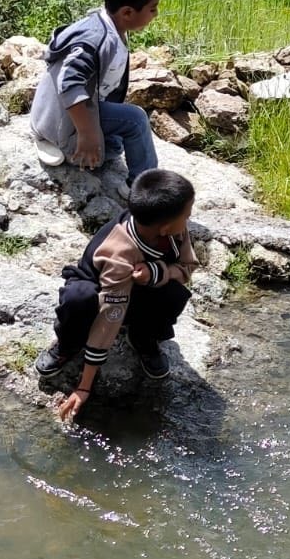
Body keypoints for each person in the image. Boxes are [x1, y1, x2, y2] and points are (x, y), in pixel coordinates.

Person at [34, 169, 198, 422]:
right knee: (79, 298)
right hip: (102, 289)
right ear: (165, 226)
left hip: (136, 288)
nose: (189, 218)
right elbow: (109, 317)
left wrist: (157, 272)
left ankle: (143, 339)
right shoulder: (120, 251)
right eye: (187, 214)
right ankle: (68, 344)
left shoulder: (175, 232)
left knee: (174, 294)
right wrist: (84, 386)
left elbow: (187, 268)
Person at [30, 0, 165, 184]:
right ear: (127, 12)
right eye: (153, 9)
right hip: (63, 128)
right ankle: (147, 189)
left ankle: (88, 148)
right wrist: (88, 134)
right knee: (136, 120)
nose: (156, 14)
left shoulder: (103, 24)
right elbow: (69, 84)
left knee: (115, 145)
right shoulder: (95, 40)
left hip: (50, 120)